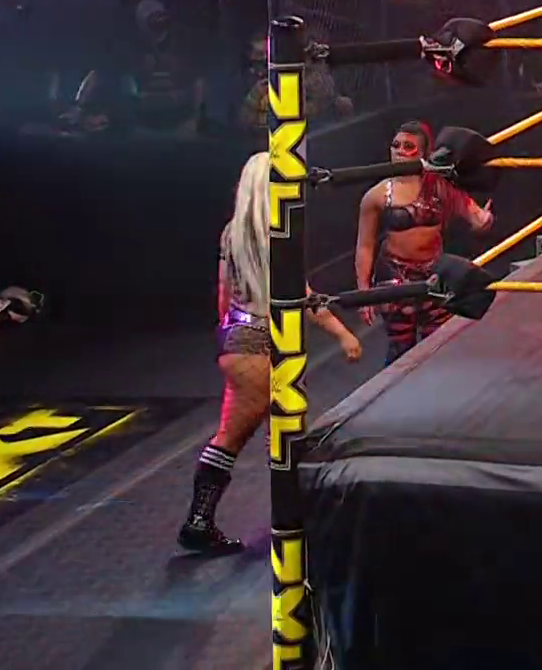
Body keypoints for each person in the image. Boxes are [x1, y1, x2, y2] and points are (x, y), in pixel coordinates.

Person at [179, 153, 362, 554]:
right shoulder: (276, 234)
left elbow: (223, 292)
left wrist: (228, 335)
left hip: (237, 336)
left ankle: (289, 515)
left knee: (277, 432)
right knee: (245, 435)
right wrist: (343, 333)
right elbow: (303, 295)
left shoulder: (232, 232)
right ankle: (202, 520)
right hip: (257, 340)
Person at [355, 121, 495, 364]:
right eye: (396, 145)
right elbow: (365, 246)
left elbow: (476, 218)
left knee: (439, 345)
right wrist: (363, 293)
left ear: (422, 152)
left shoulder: (441, 186)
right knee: (400, 348)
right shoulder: (376, 196)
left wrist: (484, 220)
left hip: (434, 272)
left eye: (408, 146)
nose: (399, 151)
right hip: (394, 275)